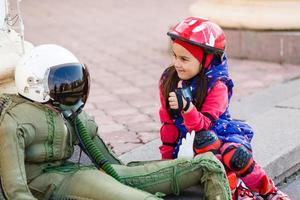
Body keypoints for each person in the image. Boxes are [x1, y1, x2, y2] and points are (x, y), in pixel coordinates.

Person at [0, 44, 232, 200]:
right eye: (62, 82)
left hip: (88, 173)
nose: (72, 88)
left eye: (74, 80)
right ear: (34, 84)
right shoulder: (16, 122)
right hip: (52, 182)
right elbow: (15, 190)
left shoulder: (72, 114)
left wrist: (142, 177)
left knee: (206, 164)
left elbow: (110, 163)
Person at [158, 16, 290, 200]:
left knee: (234, 155)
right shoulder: (169, 80)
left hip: (218, 133)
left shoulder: (217, 85)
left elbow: (204, 125)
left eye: (184, 59)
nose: (176, 63)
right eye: (174, 56)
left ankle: (268, 191)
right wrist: (166, 161)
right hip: (188, 141)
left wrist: (187, 108)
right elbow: (168, 122)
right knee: (205, 145)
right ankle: (237, 192)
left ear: (207, 59)